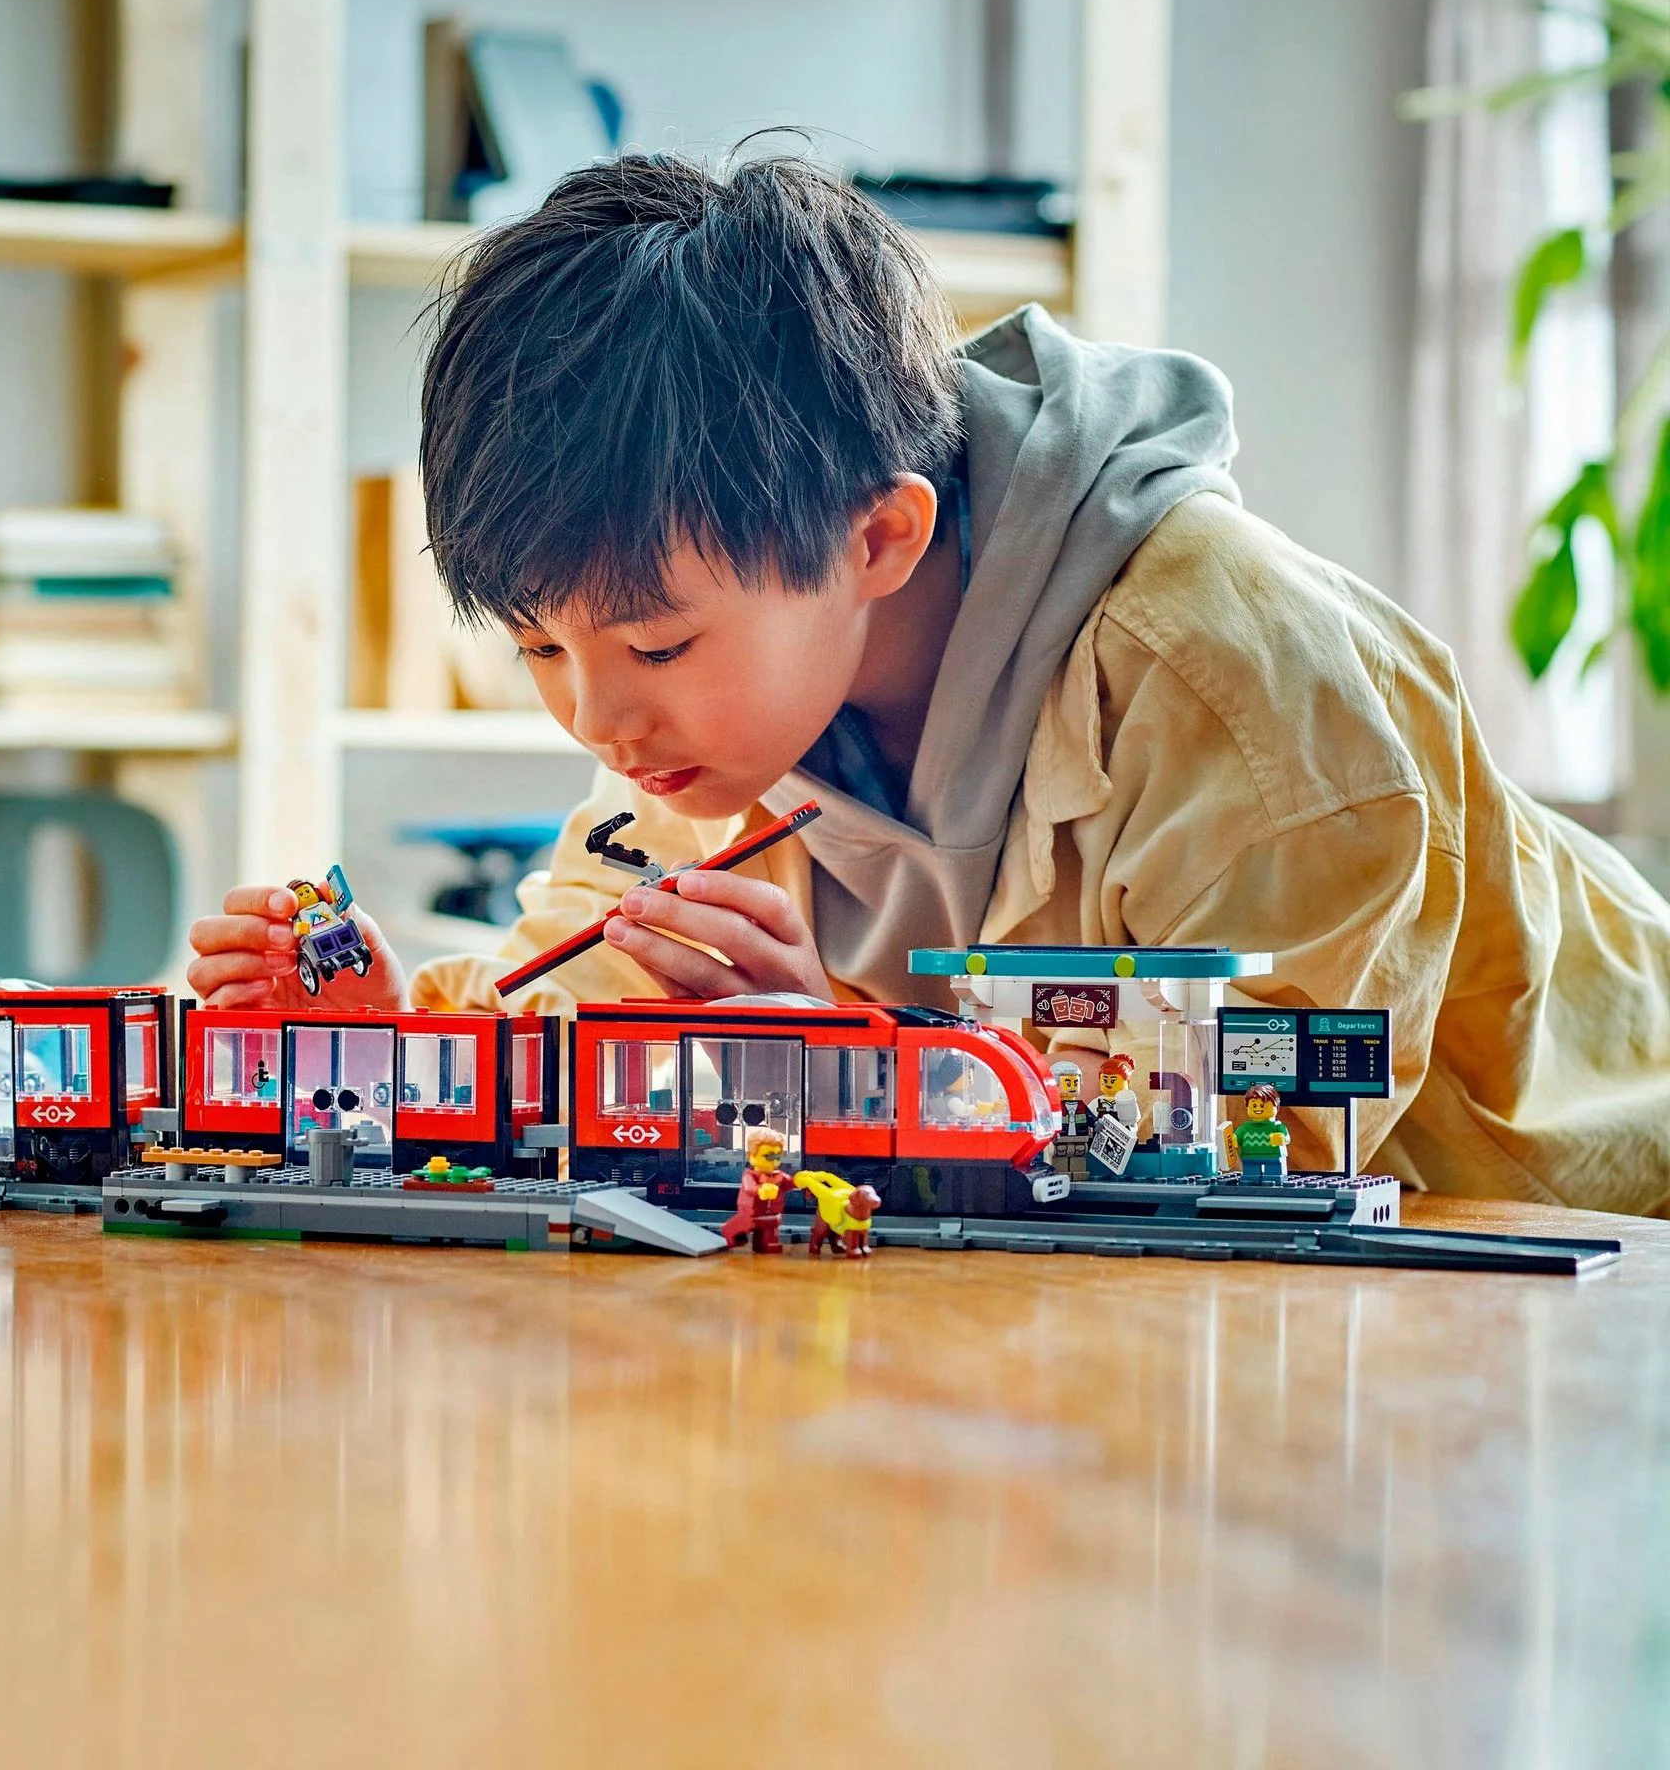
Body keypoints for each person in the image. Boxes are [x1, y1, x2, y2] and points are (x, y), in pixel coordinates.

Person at [188, 151, 1670, 1216]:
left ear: (880, 534)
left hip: (1573, 1246)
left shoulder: (1235, 679)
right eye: (537, 647)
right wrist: (387, 1035)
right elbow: (584, 1004)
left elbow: (1260, 1148)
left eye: (646, 647)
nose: (597, 718)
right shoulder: (715, 711)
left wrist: (847, 1067)